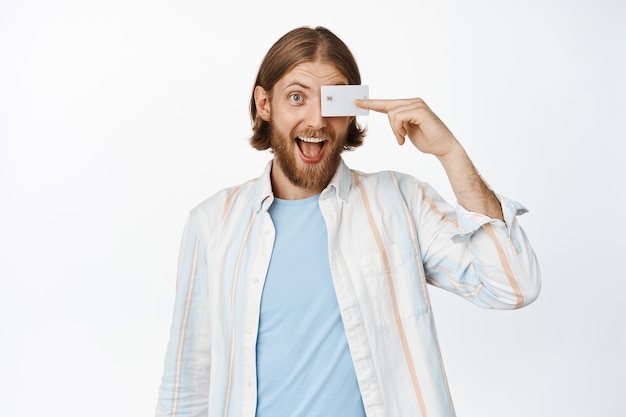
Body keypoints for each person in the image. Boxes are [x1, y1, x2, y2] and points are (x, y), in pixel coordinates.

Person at [155, 26, 541, 417]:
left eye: (333, 100)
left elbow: (513, 286)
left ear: (354, 108)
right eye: (296, 97)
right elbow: (188, 382)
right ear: (264, 103)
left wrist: (449, 152)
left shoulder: (400, 202)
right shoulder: (211, 224)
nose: (317, 120)